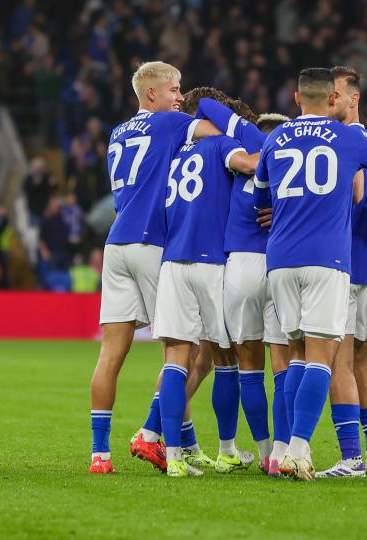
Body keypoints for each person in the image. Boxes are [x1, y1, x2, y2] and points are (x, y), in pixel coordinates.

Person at [254, 67, 367, 481]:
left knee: (295, 353)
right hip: (330, 258)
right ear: (333, 99)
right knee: (327, 356)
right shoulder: (350, 138)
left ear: (296, 97)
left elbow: (260, 197)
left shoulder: (274, 137)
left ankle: (287, 450)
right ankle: (303, 451)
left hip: (280, 258)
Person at [88, 61, 221, 474]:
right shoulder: (167, 123)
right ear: (151, 94)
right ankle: (149, 433)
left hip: (116, 243)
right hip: (150, 241)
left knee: (111, 352)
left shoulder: (118, 132)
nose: (180, 98)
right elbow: (219, 134)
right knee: (185, 349)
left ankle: (100, 455)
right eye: (174, 89)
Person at [150, 90, 259, 478]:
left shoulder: (174, 153)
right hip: (212, 262)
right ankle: (227, 450)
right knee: (225, 358)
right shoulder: (221, 144)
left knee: (175, 359)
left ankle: (174, 459)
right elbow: (250, 164)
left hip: (172, 262)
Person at [191, 90, 290, 473]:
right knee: (283, 366)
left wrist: (238, 126)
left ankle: (263, 453)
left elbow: (207, 106)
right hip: (279, 265)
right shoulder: (290, 171)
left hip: (240, 266)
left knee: (247, 366)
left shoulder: (240, 160)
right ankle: (281, 454)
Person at [315, 66, 367, 478]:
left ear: (353, 98)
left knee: (338, 362)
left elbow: (352, 194)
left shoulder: (342, 144)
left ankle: (350, 457)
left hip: (342, 266)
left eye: (336, 93)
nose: (331, 100)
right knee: (361, 361)